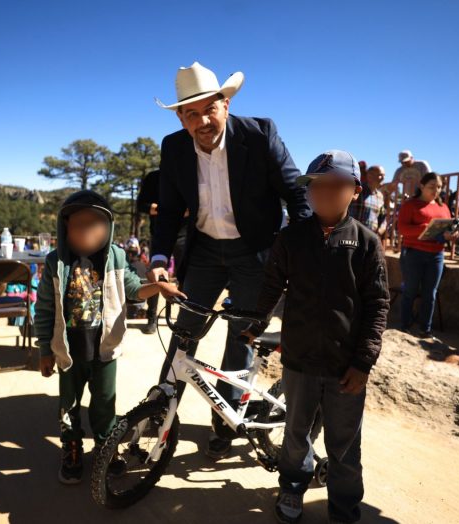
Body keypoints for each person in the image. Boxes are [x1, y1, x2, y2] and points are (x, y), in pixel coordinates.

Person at [148, 62, 310, 459]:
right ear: (180, 118)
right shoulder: (173, 147)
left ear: (226, 104)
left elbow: (296, 193)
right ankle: (160, 412)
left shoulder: (259, 134)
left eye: (210, 109)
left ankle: (225, 420)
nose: (203, 121)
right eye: (191, 114)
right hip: (204, 251)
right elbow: (168, 211)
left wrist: (301, 250)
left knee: (242, 337)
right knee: (184, 332)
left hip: (254, 253)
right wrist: (159, 257)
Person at [243, 150, 390, 524]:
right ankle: (292, 488)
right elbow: (272, 286)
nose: (325, 192)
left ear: (355, 191)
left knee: (345, 444)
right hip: (299, 361)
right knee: (296, 434)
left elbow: (377, 305)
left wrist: (363, 362)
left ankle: (343, 507)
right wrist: (256, 324)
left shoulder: (367, 242)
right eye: (317, 185)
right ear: (307, 191)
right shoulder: (291, 238)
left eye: (336, 185)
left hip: (346, 367)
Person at [34, 189, 184, 485]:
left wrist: (157, 288)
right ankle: (71, 447)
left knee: (105, 404)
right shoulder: (55, 262)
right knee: (69, 405)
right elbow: (44, 309)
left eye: (96, 223)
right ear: (65, 227)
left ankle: (106, 446)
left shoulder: (116, 257)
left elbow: (133, 288)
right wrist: (44, 350)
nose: (87, 230)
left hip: (104, 348)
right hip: (68, 351)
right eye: (79, 224)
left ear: (109, 227)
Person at [398, 172, 459, 339]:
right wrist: (426, 228)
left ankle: (425, 329)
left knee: (430, 293)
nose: (436, 190)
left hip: (436, 254)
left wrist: (452, 235)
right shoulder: (410, 205)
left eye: (439, 187)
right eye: (432, 186)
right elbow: (402, 229)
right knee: (410, 291)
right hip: (413, 253)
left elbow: (447, 229)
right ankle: (404, 326)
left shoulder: (443, 207)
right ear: (422, 186)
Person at [136, 169, 188, 334]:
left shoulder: (188, 174)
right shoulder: (153, 177)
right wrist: (169, 211)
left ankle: (184, 318)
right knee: (156, 276)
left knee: (185, 277)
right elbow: (142, 204)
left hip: (184, 234)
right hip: (159, 235)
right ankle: (152, 318)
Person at [348, 165, 386, 237]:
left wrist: (379, 232)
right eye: (380, 175)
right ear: (369, 176)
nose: (383, 178)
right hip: (350, 236)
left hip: (369, 238)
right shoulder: (356, 190)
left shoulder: (380, 196)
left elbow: (383, 218)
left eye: (384, 175)